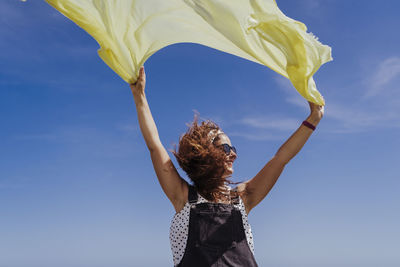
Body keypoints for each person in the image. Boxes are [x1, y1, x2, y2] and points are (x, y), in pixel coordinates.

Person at [130, 66, 324, 267]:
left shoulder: (243, 197)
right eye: (225, 147)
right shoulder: (183, 198)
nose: (234, 153)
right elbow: (154, 146)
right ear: (204, 152)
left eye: (233, 147)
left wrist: (314, 118)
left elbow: (281, 158)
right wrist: (140, 97)